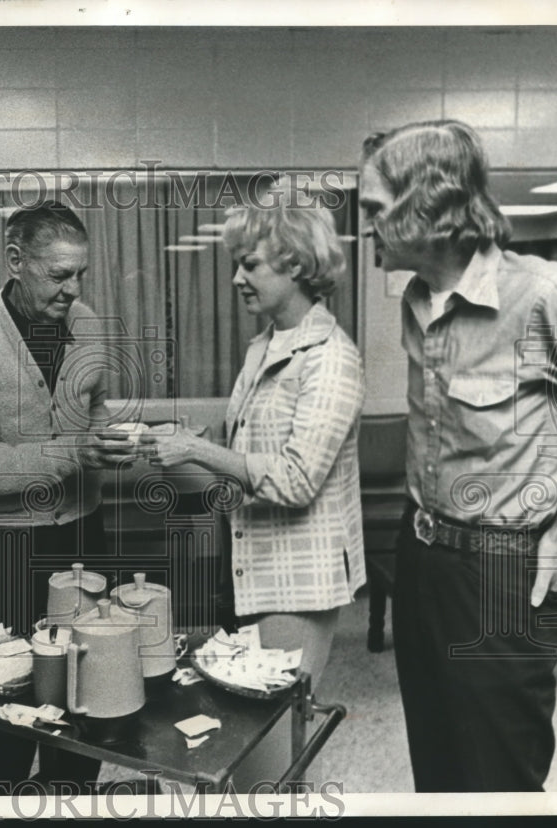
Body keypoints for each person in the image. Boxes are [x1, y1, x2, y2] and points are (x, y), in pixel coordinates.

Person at [359, 119, 557, 792]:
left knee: (497, 778)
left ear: (423, 204)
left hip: (500, 574)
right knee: (439, 767)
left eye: (374, 209)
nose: (365, 225)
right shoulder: (417, 298)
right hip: (422, 558)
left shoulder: (545, 297)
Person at [0, 201, 134, 795]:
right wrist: (74, 452)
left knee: (87, 683)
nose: (74, 289)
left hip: (81, 534)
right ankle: (4, 802)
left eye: (81, 275)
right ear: (16, 262)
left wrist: (109, 442)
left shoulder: (89, 323)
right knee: (9, 691)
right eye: (59, 275)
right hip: (2, 547)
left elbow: (95, 415)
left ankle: (70, 800)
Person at [142, 186, 366, 690]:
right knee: (259, 735)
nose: (236, 278)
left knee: (277, 738)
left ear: (295, 264)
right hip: (252, 567)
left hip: (297, 585)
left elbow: (296, 481)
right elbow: (248, 457)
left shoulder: (331, 357)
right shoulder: (265, 346)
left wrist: (195, 449)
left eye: (250, 265)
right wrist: (187, 441)